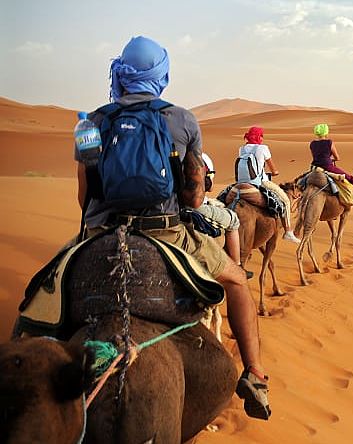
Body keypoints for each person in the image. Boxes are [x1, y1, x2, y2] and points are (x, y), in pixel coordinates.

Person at [75, 36, 271, 420]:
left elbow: (84, 196)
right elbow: (195, 196)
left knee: (42, 295)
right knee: (236, 281)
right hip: (167, 233)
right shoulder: (181, 119)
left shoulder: (92, 121)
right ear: (161, 75)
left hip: (101, 231)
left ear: (121, 74)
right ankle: (255, 373)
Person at [236, 126, 301, 243]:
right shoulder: (263, 148)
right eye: (261, 136)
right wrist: (275, 172)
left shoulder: (242, 149)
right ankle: (288, 232)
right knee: (285, 201)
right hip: (260, 182)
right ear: (258, 137)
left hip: (241, 183)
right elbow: (273, 169)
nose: (262, 138)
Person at [309, 123, 353, 207]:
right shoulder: (329, 142)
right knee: (351, 179)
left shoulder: (312, 144)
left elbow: (315, 157)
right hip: (328, 167)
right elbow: (337, 157)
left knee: (302, 182)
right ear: (326, 132)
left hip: (315, 167)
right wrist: (333, 159)